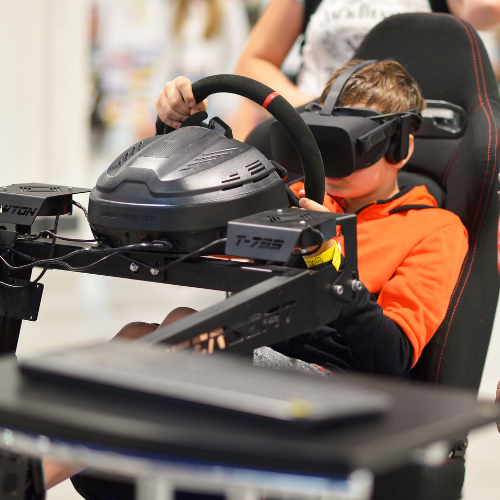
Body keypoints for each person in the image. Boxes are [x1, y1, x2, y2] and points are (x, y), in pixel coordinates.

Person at [44, 59, 469, 488]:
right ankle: (33, 476)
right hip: (255, 352)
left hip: (338, 390)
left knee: (184, 331)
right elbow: (200, 227)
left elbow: (390, 360)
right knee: (136, 336)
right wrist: (181, 131)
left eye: (350, 144)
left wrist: (331, 266)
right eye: (325, 138)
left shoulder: (434, 229)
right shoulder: (294, 195)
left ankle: (35, 479)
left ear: (399, 146)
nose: (335, 160)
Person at [156, 0, 500, 139]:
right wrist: (314, 111)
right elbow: (254, 61)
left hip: (399, 144)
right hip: (316, 137)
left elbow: (486, 9)